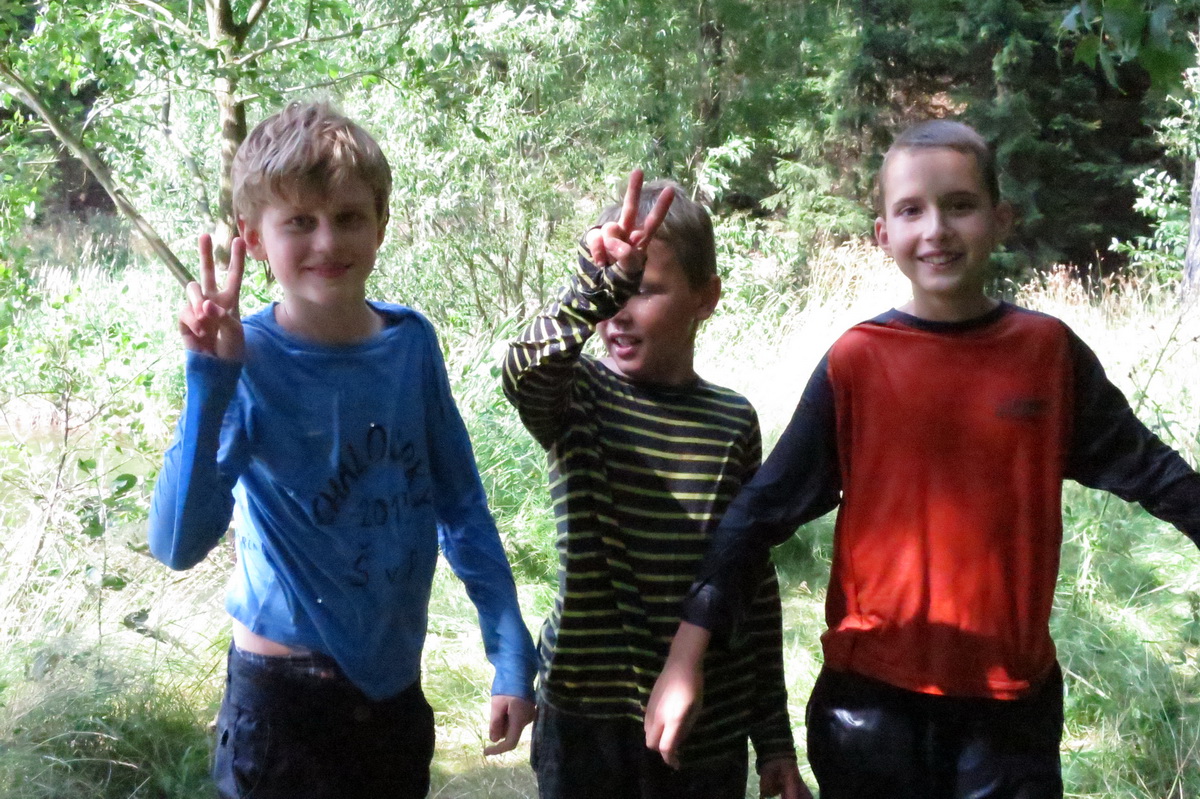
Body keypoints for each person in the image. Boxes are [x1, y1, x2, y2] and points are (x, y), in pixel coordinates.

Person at [644, 119, 1200, 799]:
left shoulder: (1048, 354)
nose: (936, 229)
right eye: (911, 210)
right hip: (870, 709)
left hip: (1009, 713)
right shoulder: (857, 362)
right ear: (884, 233)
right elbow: (758, 514)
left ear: (1000, 219)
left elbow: (1155, 473)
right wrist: (685, 655)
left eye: (960, 205)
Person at [148, 100, 537, 799]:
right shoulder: (245, 358)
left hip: (392, 695)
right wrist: (208, 378)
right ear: (254, 238)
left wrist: (510, 650)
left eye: (349, 216)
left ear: (381, 224)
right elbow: (177, 542)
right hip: (281, 702)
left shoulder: (411, 344)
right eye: (300, 221)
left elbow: (460, 506)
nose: (327, 241)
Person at [502, 171, 811, 799]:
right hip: (584, 715)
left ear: (705, 297)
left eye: (643, 289)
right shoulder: (579, 395)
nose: (618, 312)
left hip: (705, 722)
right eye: (613, 290)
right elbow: (522, 370)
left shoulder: (732, 421)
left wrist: (773, 738)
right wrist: (595, 285)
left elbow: (748, 578)